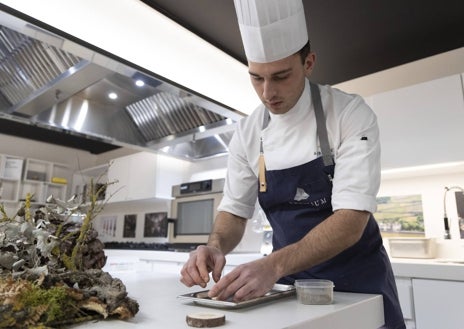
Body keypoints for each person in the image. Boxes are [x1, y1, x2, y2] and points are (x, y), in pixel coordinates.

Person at [180, 1, 405, 328]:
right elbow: (234, 210)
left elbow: (351, 219)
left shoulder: (348, 114)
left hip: (359, 282)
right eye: (256, 78)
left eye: (281, 76)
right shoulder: (247, 133)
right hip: (289, 285)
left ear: (309, 62)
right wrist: (215, 246)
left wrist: (272, 265)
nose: (267, 93)